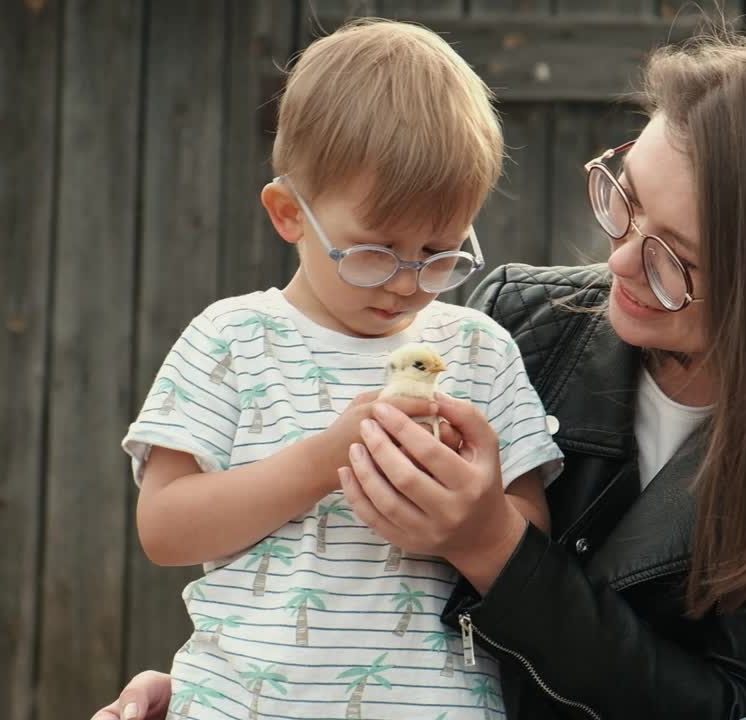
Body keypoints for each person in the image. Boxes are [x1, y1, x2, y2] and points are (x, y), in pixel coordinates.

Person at [95, 28, 746, 720]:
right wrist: (218, 684)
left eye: (673, 259)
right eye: (623, 199)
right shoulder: (510, 325)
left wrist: (491, 548)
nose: (615, 262)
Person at [117, 19, 562, 720]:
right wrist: (328, 459)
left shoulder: (482, 351)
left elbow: (532, 533)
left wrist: (462, 513)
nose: (408, 282)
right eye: (374, 251)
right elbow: (165, 527)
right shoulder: (233, 339)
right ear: (290, 213)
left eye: (440, 253)